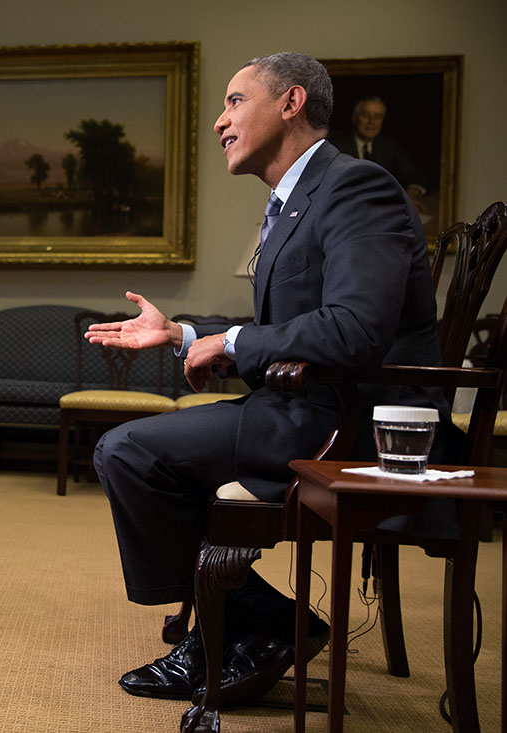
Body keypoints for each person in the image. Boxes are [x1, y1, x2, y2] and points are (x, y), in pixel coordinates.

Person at [86, 52, 455, 707]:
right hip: (303, 405)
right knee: (140, 450)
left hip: (351, 424)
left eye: (234, 101)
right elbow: (295, 323)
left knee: (129, 452)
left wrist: (231, 342)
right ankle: (231, 634)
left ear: (290, 103)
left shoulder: (356, 186)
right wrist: (184, 335)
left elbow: (353, 330)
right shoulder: (295, 201)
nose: (220, 121)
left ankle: (255, 628)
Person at [330, 97, 429, 212]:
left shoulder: (389, 146)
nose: (371, 122)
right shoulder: (335, 147)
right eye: (365, 115)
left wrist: (411, 195)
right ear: (354, 118)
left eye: (377, 117)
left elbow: (414, 175)